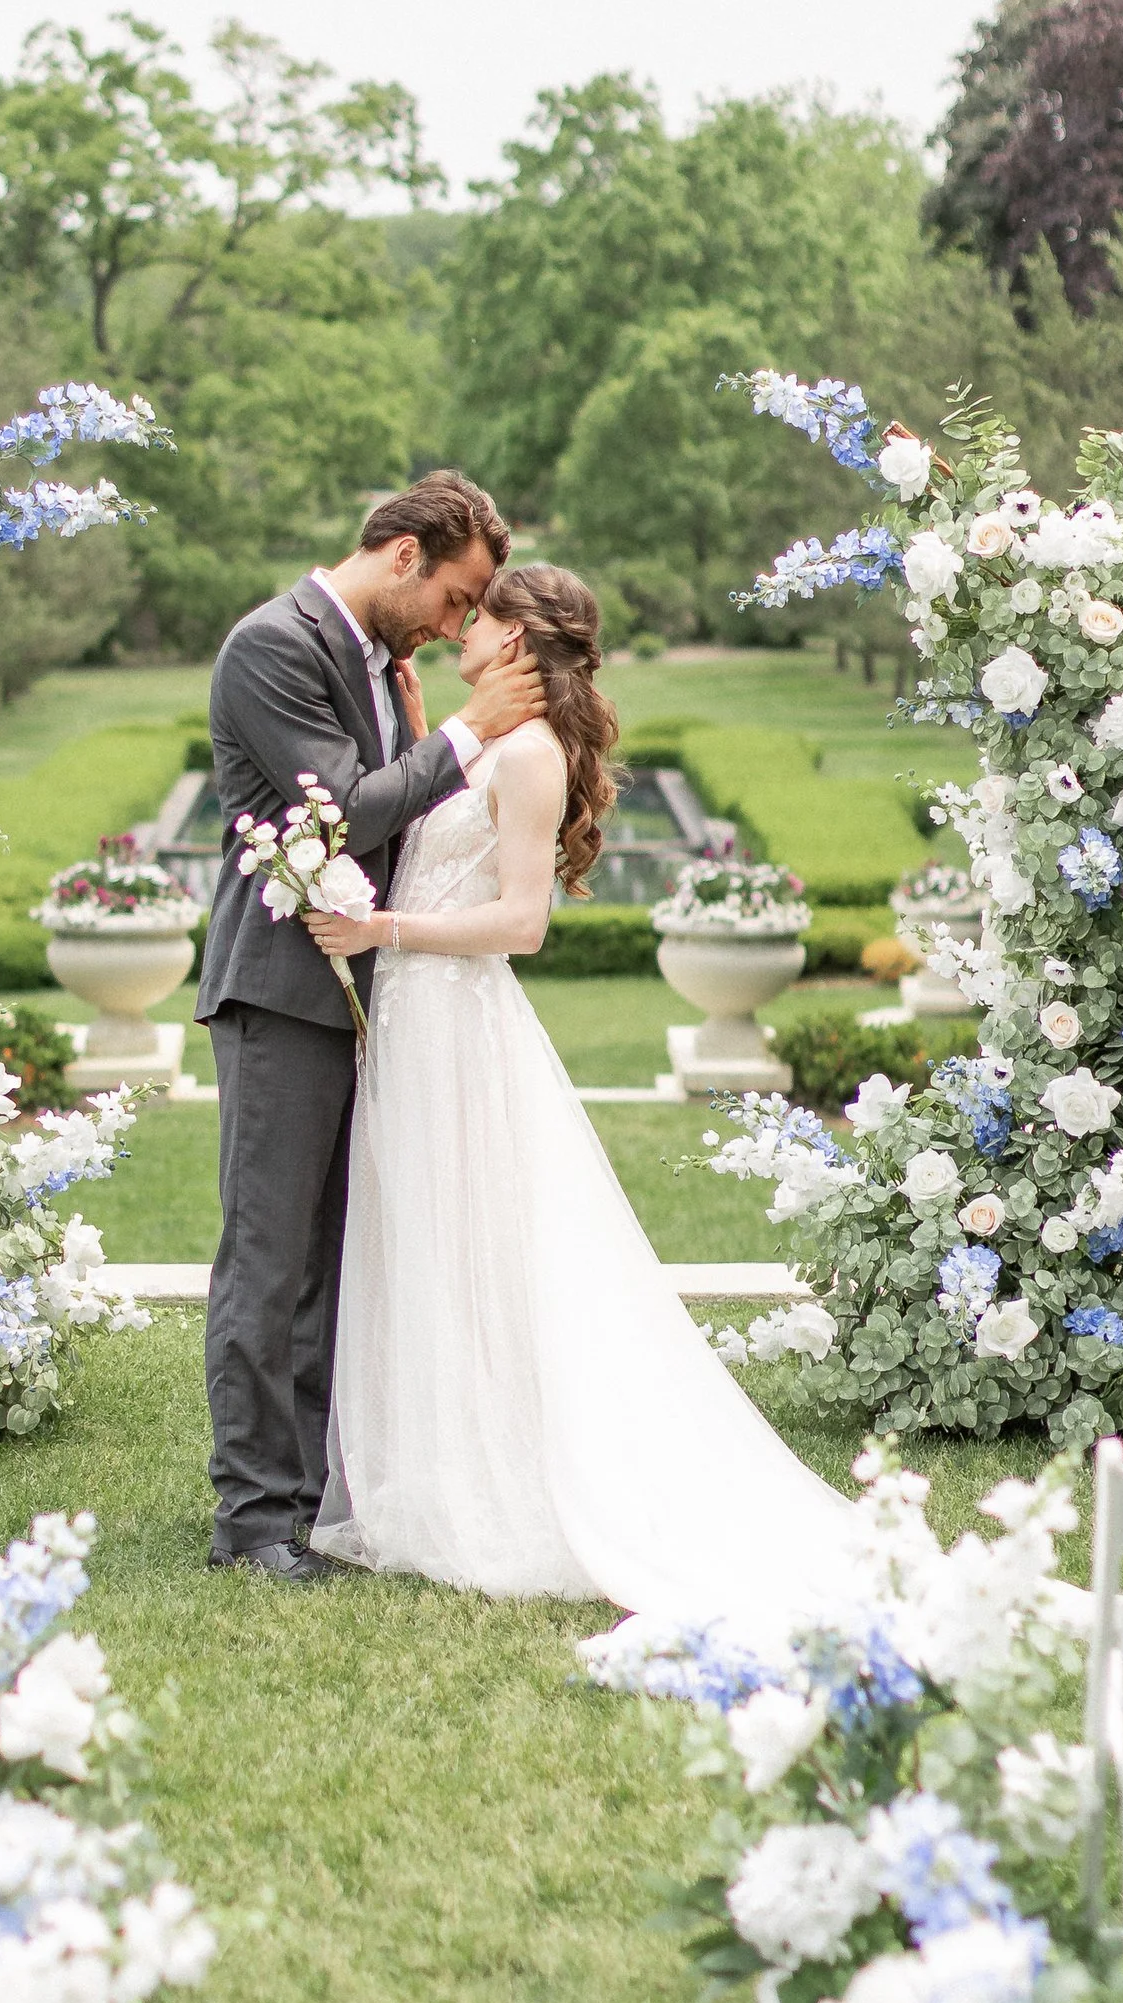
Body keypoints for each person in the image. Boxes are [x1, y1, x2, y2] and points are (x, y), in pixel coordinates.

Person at [304, 561, 861, 1616]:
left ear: (514, 639)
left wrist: (382, 931)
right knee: (425, 1238)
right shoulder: (482, 739)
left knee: (470, 1242)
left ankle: (487, 1478)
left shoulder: (530, 755)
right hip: (414, 1021)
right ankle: (429, 1461)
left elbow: (521, 924)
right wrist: (428, 724)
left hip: (456, 1020)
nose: (459, 624)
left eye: (478, 615)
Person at [196, 474, 545, 1578]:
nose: (457, 625)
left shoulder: (380, 664)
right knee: (268, 1255)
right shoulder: (273, 646)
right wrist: (467, 733)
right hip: (281, 989)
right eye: (457, 595)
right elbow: (335, 804)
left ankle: (303, 1502)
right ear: (403, 556)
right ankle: (249, 1522)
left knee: (328, 1263)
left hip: (372, 995)